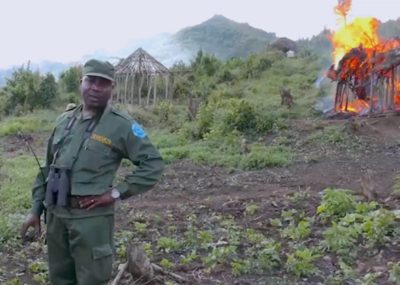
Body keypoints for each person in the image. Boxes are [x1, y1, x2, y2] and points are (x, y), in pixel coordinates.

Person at [20, 59, 164, 285]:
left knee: (92, 280)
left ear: (112, 88)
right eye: (91, 80)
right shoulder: (64, 120)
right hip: (56, 216)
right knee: (60, 279)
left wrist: (116, 193)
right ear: (81, 83)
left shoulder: (121, 125)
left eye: (103, 83)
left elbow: (153, 163)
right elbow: (47, 168)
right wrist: (35, 210)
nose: (96, 87)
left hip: (91, 221)